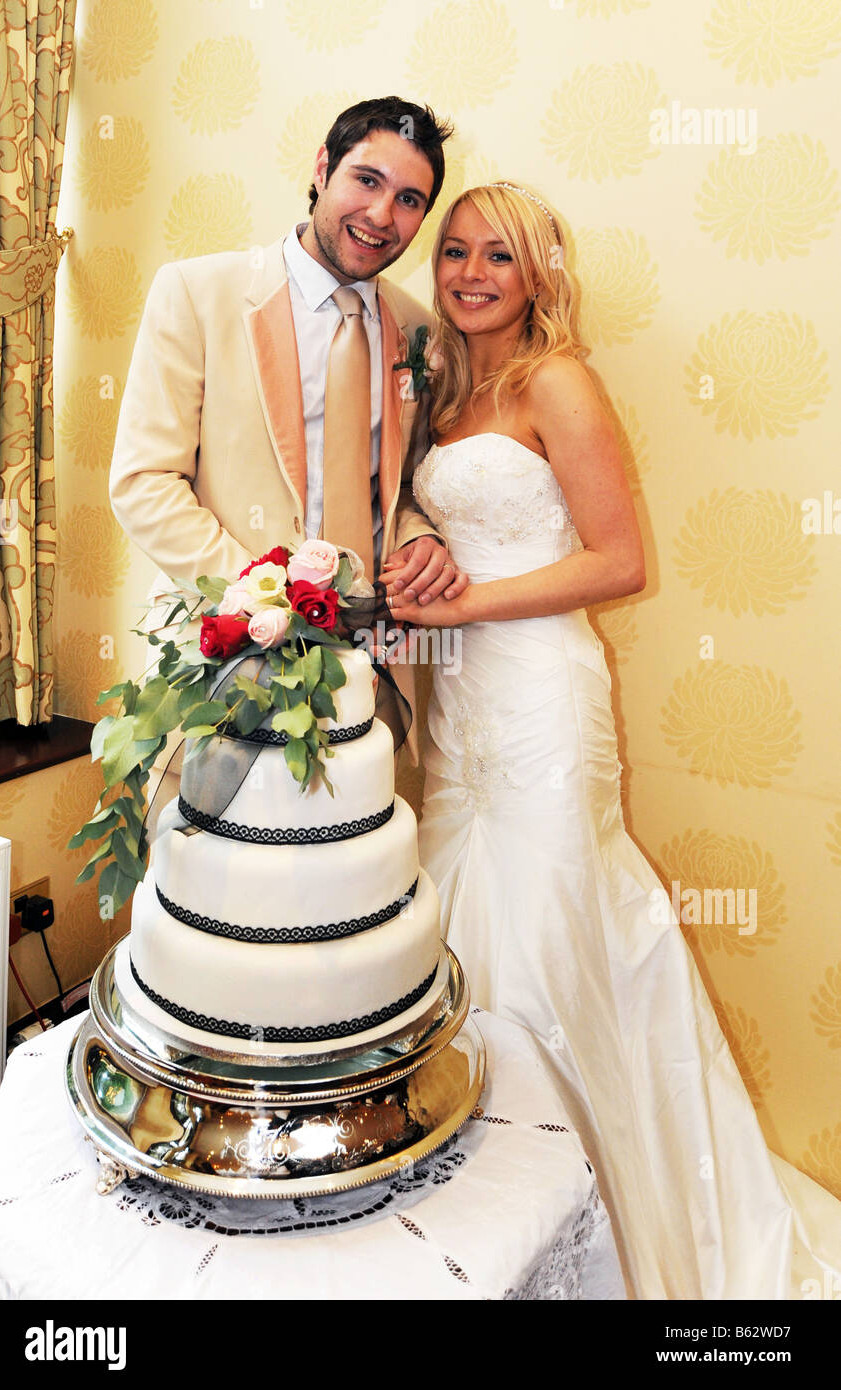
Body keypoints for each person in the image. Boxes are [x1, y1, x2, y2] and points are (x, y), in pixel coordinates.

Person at [387, 182, 841, 1299]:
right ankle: (482, 1224)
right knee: (462, 931)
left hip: (540, 693)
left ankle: (601, 1229)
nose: (470, 272)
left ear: (540, 272)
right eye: (453, 252)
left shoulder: (557, 381)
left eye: (499, 255)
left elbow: (618, 561)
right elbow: (416, 518)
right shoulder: (442, 383)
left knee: (553, 936)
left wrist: (464, 609)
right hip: (459, 703)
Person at [109, 96, 468, 774]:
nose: (382, 216)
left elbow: (406, 487)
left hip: (369, 671)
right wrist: (261, 602)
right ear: (323, 166)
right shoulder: (196, 292)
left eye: (410, 199)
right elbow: (142, 482)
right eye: (367, 180)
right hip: (215, 657)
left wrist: (420, 534)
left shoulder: (423, 334)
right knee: (215, 869)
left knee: (355, 868)